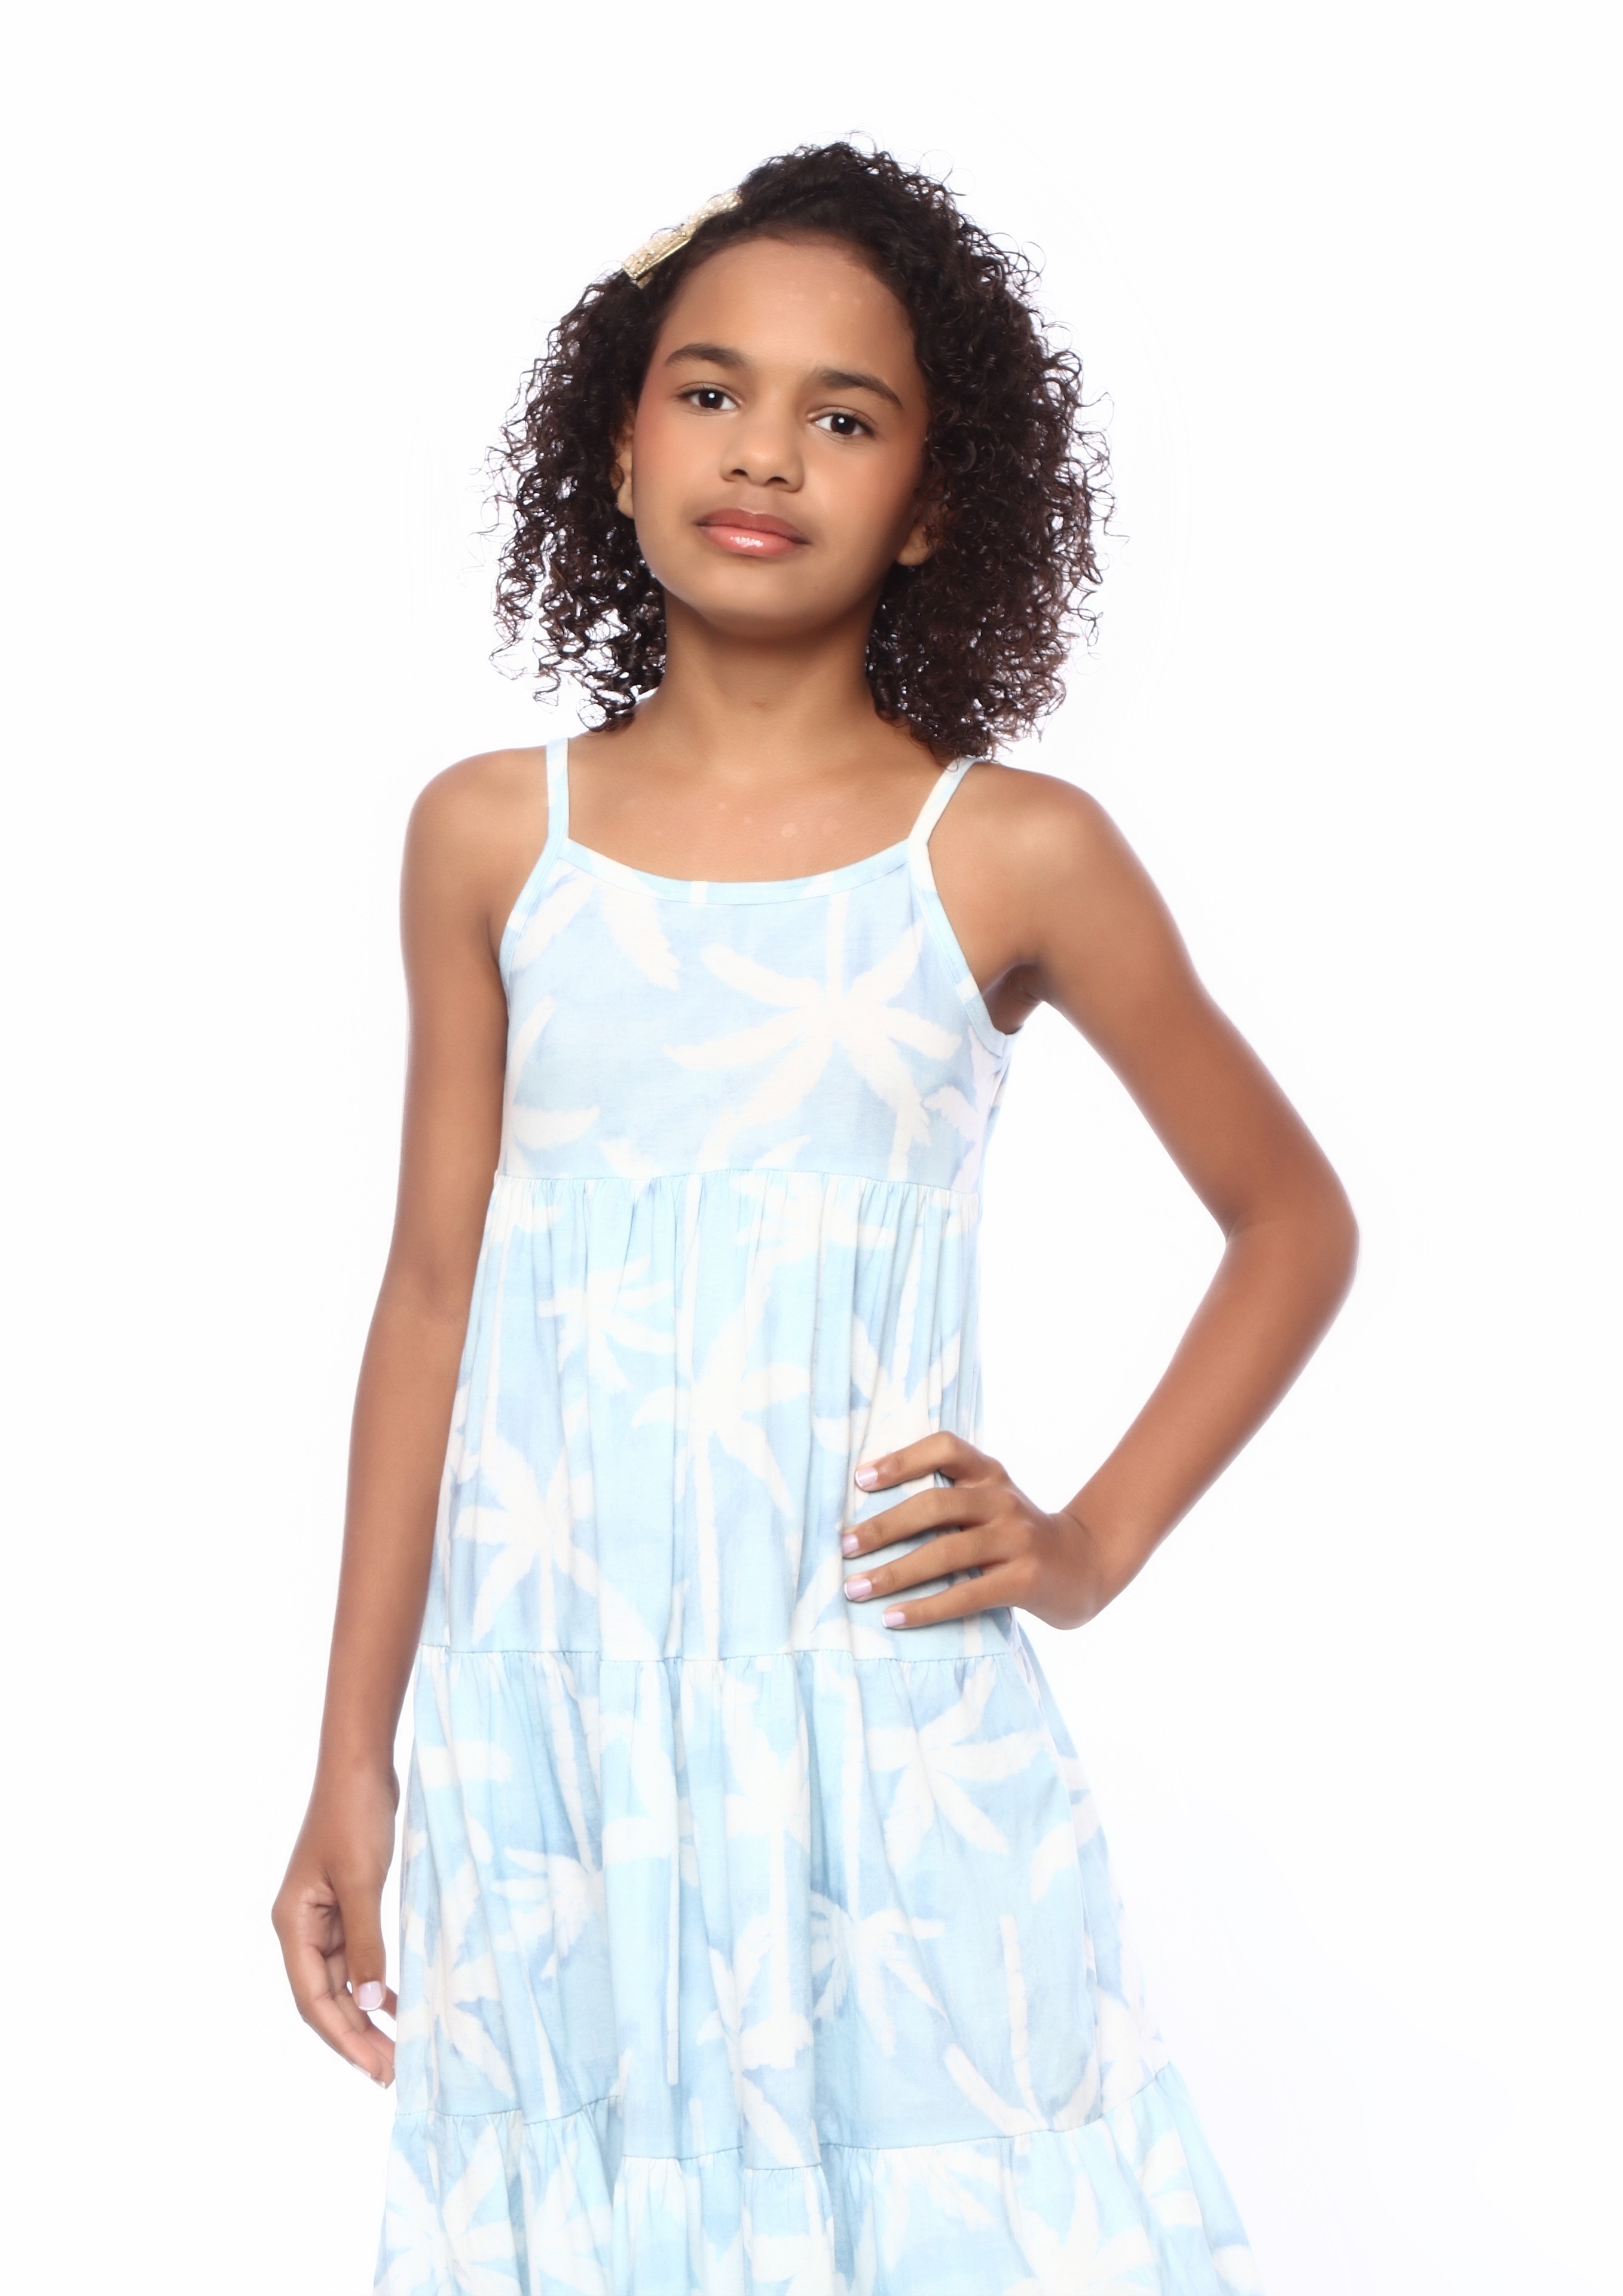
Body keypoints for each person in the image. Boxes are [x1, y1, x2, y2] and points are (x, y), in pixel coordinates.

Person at [273, 141, 1356, 2294]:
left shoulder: (1008, 852)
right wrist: (351, 1757)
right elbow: (428, 1295)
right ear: (619, 440)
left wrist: (1088, 1545)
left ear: (933, 500)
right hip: (557, 1733)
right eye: (711, 390)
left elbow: (1288, 1221)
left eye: (843, 416)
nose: (764, 452)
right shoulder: (492, 838)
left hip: (883, 1724)